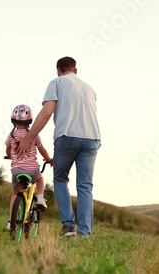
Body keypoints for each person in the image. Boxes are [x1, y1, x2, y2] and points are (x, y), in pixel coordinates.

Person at [16, 57, 101, 238]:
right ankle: (85, 234)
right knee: (85, 186)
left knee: (61, 180)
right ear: (75, 70)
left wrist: (28, 139)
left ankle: (69, 227)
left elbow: (47, 112)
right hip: (92, 138)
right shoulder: (90, 89)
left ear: (58, 70)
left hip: (67, 136)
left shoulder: (57, 82)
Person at [5, 104, 53, 230]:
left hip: (16, 170)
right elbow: (42, 149)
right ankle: (41, 198)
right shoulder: (34, 135)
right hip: (32, 170)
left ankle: (11, 222)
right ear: (30, 121)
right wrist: (48, 159)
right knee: (39, 179)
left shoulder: (12, 136)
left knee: (15, 194)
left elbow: (8, 151)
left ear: (14, 120)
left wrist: (11, 156)